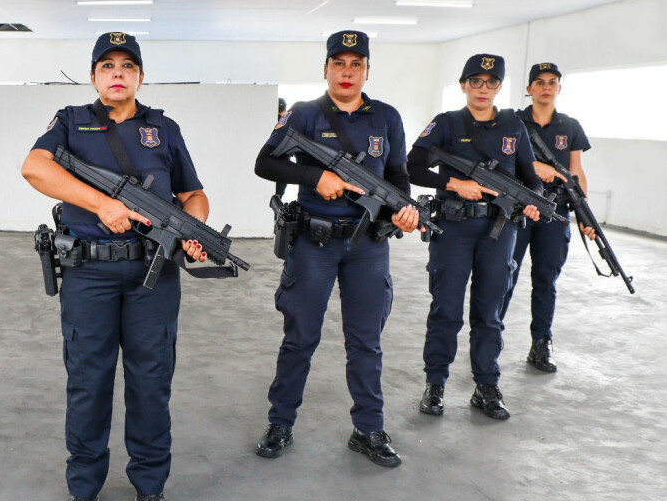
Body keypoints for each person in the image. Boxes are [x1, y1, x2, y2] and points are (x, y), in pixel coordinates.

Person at [21, 32, 210, 501]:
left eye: (128, 65)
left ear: (140, 76)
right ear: (94, 76)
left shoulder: (163, 129)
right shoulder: (69, 122)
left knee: (152, 382)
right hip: (90, 273)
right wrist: (100, 203)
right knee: (88, 380)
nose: (118, 73)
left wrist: (193, 230)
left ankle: (150, 488)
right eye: (107, 66)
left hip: (154, 274)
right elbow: (34, 167)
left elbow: (193, 193)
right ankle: (83, 489)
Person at [252, 30, 418, 468]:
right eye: (339, 64)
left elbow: (399, 177)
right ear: (325, 69)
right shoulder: (304, 114)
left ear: (367, 70)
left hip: (367, 245)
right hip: (313, 243)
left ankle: (368, 429)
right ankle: (280, 422)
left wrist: (404, 209)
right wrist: (314, 178)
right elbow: (264, 162)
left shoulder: (386, 117)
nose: (347, 73)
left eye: (356, 65)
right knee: (300, 337)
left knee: (366, 341)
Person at [407, 54, 543, 421]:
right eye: (476, 81)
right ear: (463, 84)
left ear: (500, 86)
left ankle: (486, 385)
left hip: (500, 231)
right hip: (453, 228)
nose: (483, 89)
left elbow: (530, 176)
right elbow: (413, 166)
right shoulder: (447, 123)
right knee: (446, 310)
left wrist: (534, 202)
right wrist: (454, 183)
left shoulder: (515, 127)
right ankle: (435, 384)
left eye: (492, 82)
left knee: (490, 313)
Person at [499, 63, 593, 373]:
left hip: (555, 212)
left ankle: (541, 344)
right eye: (539, 82)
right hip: (518, 209)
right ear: (529, 88)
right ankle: (491, 337)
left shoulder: (570, 126)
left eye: (552, 82)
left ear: (559, 88)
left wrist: (584, 214)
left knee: (546, 279)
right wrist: (535, 169)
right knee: (505, 274)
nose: (546, 87)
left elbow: (576, 172)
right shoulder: (511, 122)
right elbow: (501, 162)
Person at [273, 97, 291, 200]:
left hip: (274, 163)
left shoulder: (278, 121)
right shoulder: (286, 121)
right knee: (278, 195)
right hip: (283, 164)